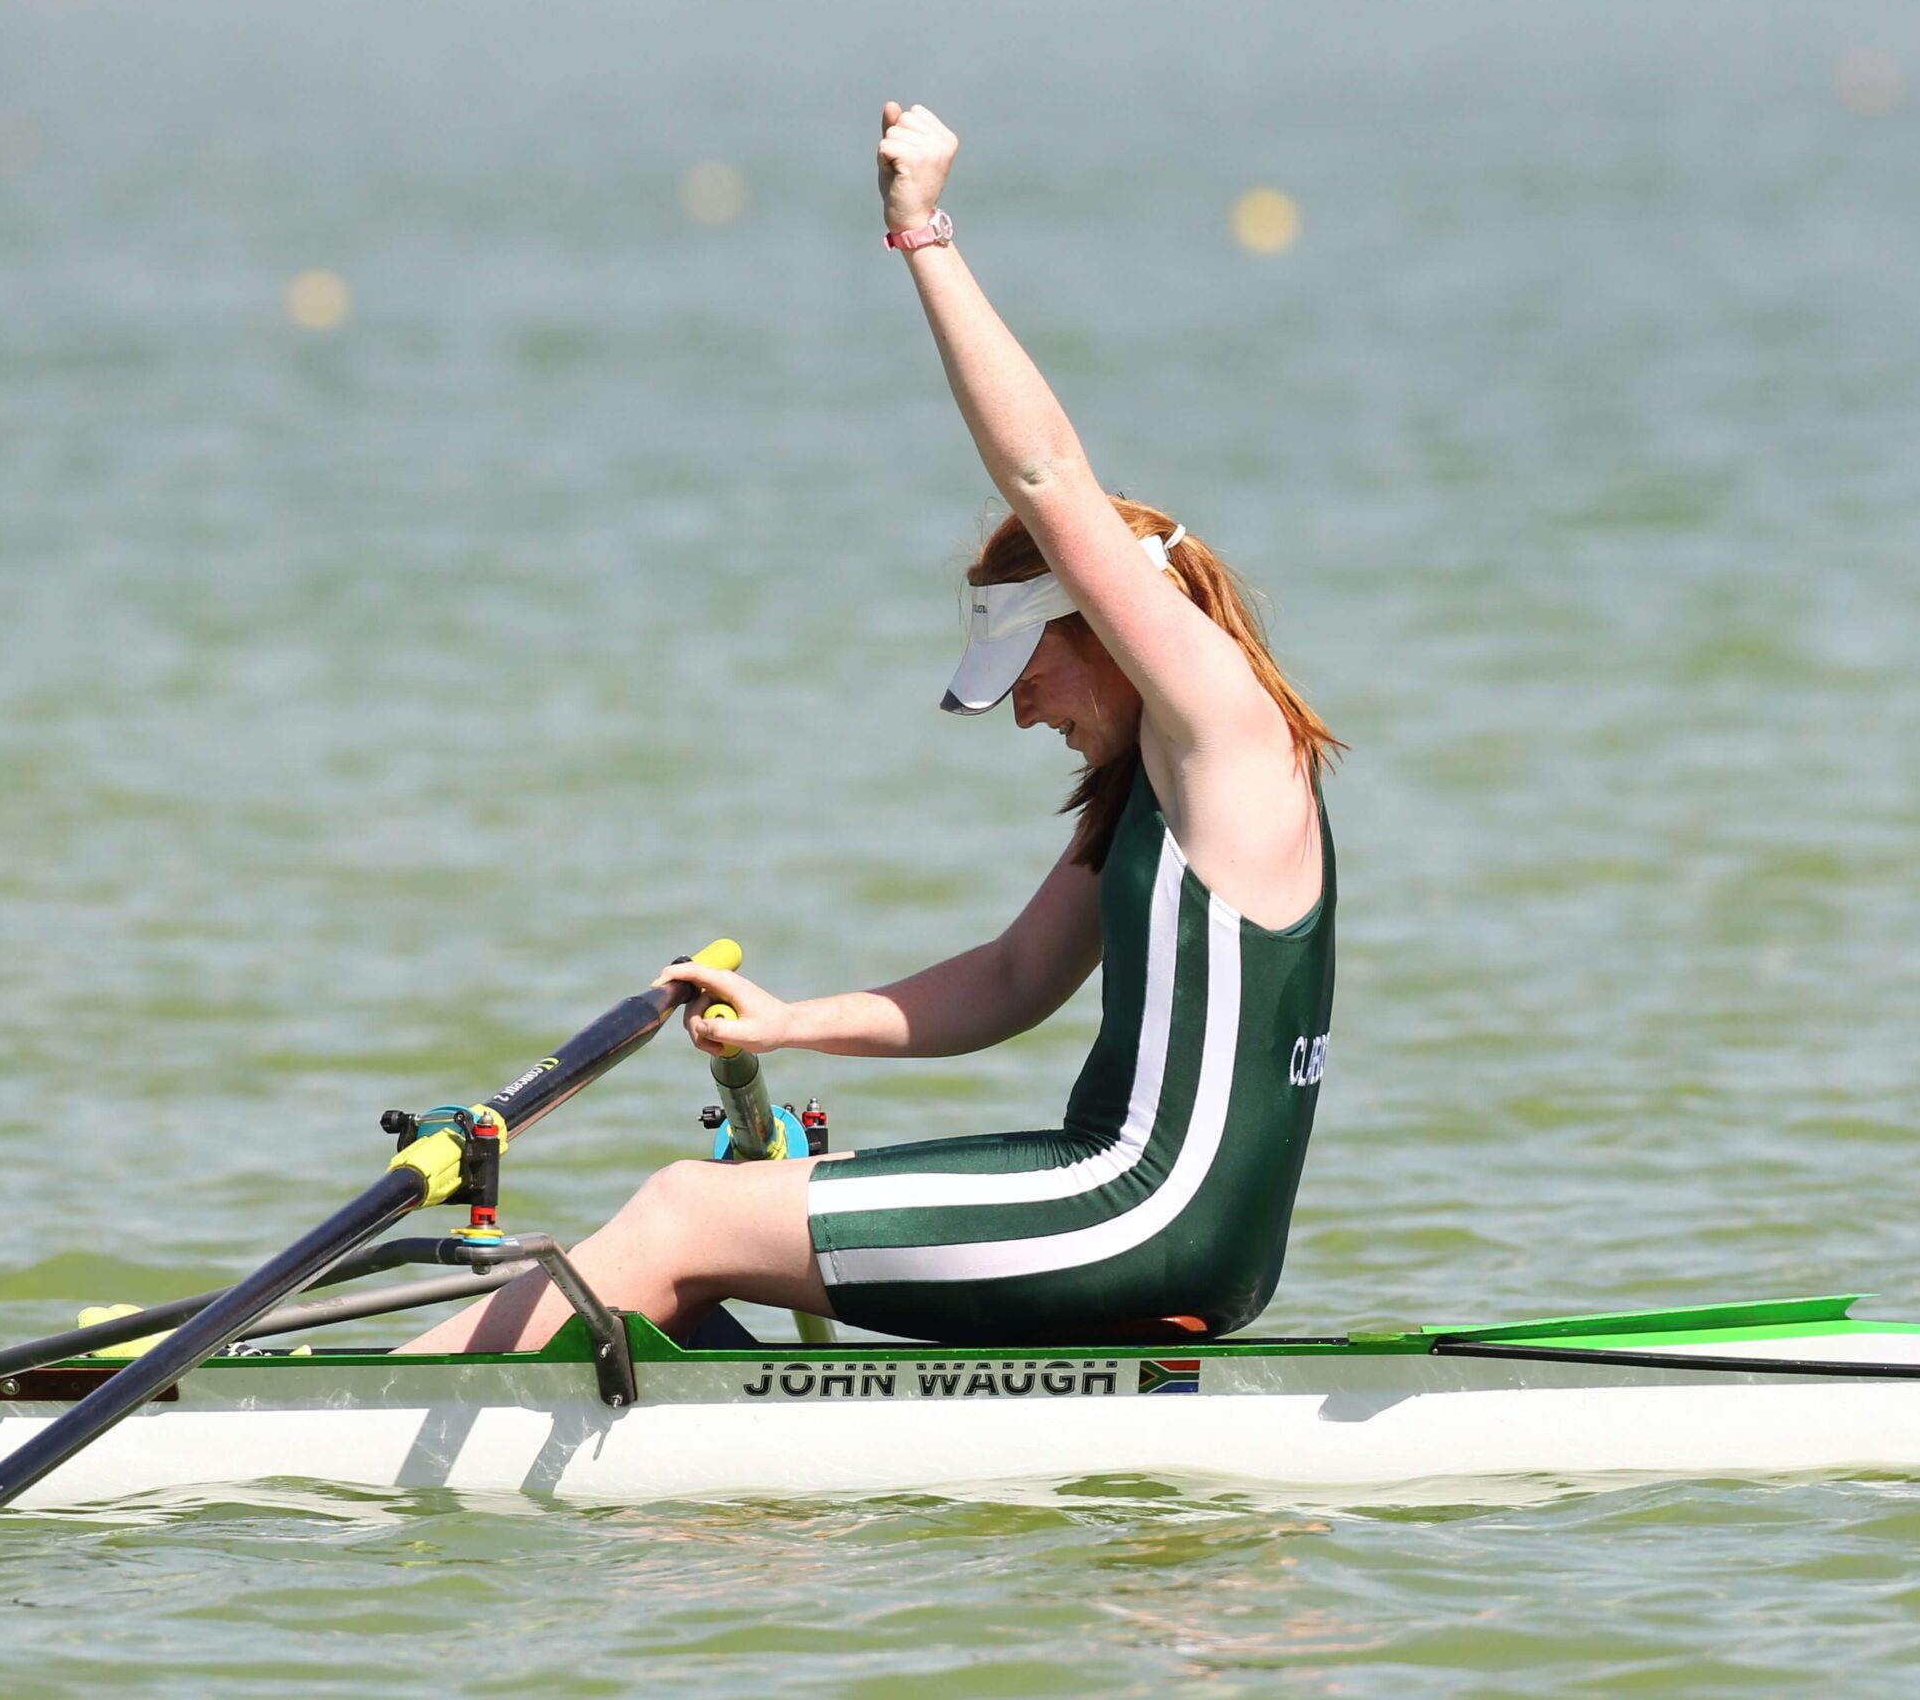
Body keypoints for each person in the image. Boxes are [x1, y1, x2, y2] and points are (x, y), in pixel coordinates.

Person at [401, 103, 1340, 1354]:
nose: (1019, 706)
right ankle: (741, 1520)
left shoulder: (1223, 732)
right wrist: (789, 1022)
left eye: (1028, 665)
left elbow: (1049, 478)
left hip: (1141, 1210)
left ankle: (331, 1417)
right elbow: (1009, 982)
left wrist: (922, 232)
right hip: (1154, 1215)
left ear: (1106, 625)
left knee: (685, 1208)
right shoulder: (1154, 797)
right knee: (696, 1250)